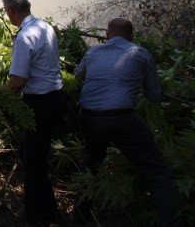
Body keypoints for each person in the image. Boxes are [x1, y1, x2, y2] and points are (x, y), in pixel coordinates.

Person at [75, 17, 180, 226]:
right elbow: (154, 95)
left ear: (107, 35)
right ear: (132, 35)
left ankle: (81, 218)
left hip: (89, 117)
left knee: (89, 166)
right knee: (158, 172)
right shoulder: (140, 54)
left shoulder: (93, 52)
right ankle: (171, 222)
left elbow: (79, 76)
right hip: (122, 118)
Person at [2, 0, 65, 226]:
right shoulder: (45, 27)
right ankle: (48, 212)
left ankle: (40, 218)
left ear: (10, 11)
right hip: (57, 98)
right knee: (35, 158)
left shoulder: (25, 36)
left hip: (40, 104)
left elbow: (18, 81)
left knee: (33, 164)